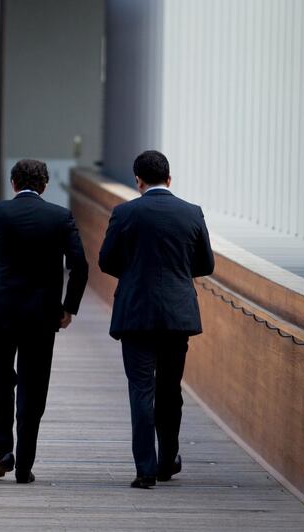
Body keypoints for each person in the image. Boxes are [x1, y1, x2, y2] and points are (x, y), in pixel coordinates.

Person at [0, 159, 88, 483]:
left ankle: (4, 448)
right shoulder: (60, 216)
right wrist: (68, 307)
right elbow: (80, 265)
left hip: (0, 310)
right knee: (34, 385)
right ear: (44, 186)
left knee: (0, 377)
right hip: (42, 314)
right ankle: (25, 464)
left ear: (13, 183)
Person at [98, 150, 214, 489]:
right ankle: (167, 461)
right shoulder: (191, 213)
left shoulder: (125, 213)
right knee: (169, 389)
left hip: (135, 313)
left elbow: (106, 261)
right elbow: (205, 265)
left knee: (141, 390)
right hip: (177, 314)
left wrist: (134, 275)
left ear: (138, 180)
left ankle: (144, 469)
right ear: (169, 178)